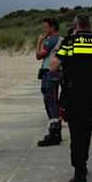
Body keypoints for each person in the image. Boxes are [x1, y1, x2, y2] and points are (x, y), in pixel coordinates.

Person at [49, 13, 92, 182]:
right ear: (90, 25)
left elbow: (53, 66)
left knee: (75, 132)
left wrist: (58, 48)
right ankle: (82, 164)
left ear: (75, 25)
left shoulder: (69, 43)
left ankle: (79, 172)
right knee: (86, 131)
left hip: (72, 93)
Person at [35, 18, 63, 146]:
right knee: (54, 102)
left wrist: (40, 41)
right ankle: (56, 130)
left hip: (50, 73)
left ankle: (54, 131)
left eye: (46, 27)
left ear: (52, 28)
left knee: (50, 102)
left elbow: (39, 55)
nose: (44, 29)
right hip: (59, 73)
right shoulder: (61, 39)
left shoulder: (51, 40)